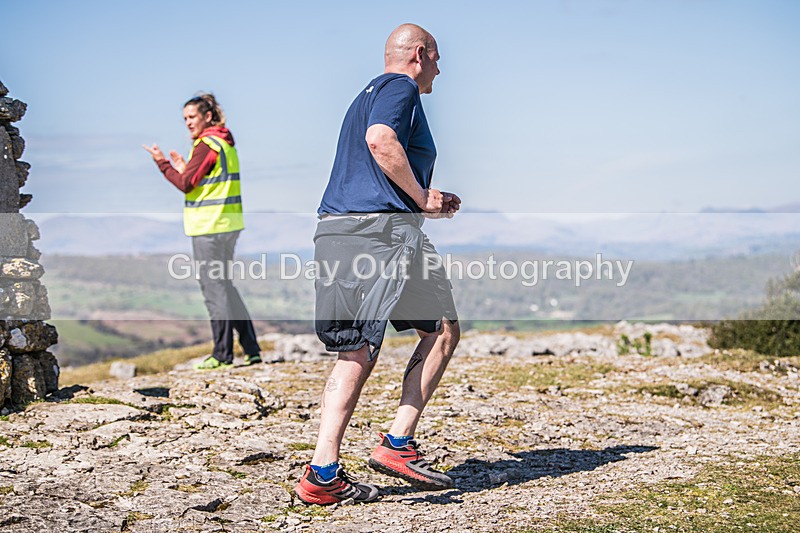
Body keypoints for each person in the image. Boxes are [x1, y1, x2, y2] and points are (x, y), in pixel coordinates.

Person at [294, 23, 461, 505]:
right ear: (420, 53)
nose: (438, 69)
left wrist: (422, 200)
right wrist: (423, 198)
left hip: (347, 229)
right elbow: (380, 140)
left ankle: (398, 444)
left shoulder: (367, 91)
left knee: (441, 328)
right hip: (377, 234)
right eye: (436, 58)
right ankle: (324, 472)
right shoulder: (399, 88)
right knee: (360, 347)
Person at [143, 93, 262, 370]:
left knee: (213, 290)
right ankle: (252, 349)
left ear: (207, 116)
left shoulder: (207, 144)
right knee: (226, 287)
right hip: (229, 225)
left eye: (192, 117)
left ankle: (222, 355)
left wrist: (163, 164)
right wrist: (186, 169)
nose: (188, 123)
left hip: (209, 227)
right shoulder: (224, 142)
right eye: (184, 118)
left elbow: (185, 185)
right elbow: (200, 181)